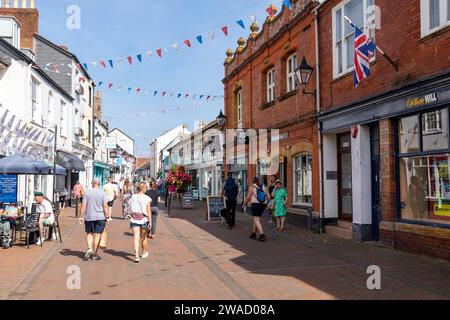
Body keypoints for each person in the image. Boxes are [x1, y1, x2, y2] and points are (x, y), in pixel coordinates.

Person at [79, 179, 109, 261]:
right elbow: (105, 206)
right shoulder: (103, 193)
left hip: (89, 217)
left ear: (92, 183)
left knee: (89, 233)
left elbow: (83, 205)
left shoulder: (87, 192)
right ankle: (94, 254)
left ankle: (89, 249)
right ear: (99, 184)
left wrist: (81, 216)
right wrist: (107, 217)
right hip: (100, 217)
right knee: (97, 235)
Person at [126, 182, 152, 263]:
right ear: (144, 188)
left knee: (136, 237)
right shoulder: (147, 198)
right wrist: (150, 221)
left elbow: (129, 205)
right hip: (143, 218)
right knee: (143, 237)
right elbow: (148, 210)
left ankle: (136, 255)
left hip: (134, 218)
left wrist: (129, 214)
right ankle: (144, 253)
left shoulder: (133, 196)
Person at [244, 177, 270, 242]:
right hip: (263, 204)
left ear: (253, 181)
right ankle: (253, 234)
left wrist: (244, 203)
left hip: (255, 204)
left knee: (256, 220)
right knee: (256, 219)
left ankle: (262, 235)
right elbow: (269, 196)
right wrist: (266, 202)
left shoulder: (252, 187)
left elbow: (248, 197)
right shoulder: (263, 187)